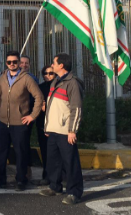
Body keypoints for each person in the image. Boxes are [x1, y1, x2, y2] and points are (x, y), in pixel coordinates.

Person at [0, 50, 43, 191]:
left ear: (19, 63)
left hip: (20, 123)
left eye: (15, 62)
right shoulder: (3, 77)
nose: (12, 64)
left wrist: (32, 115)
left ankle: (21, 180)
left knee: (21, 153)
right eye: (9, 62)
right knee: (0, 152)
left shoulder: (26, 78)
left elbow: (39, 97)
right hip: (2, 122)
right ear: (6, 63)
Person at [40, 53, 84, 205]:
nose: (52, 65)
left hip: (65, 131)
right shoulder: (55, 82)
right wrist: (47, 126)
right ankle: (55, 186)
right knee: (54, 161)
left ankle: (74, 192)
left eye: (54, 63)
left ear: (61, 66)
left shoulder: (72, 83)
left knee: (70, 162)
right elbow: (50, 107)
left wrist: (72, 130)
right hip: (53, 130)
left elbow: (76, 108)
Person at [36, 65, 56, 185]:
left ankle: (57, 175)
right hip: (42, 123)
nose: (48, 75)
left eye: (51, 73)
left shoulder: (59, 87)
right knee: (44, 151)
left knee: (55, 152)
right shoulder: (40, 88)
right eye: (45, 73)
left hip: (56, 124)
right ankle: (46, 174)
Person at [20, 54, 39, 179]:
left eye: (26, 63)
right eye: (21, 63)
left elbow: (36, 97)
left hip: (26, 115)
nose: (24, 65)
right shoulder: (10, 77)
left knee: (24, 142)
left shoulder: (32, 78)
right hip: (12, 116)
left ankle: (27, 168)